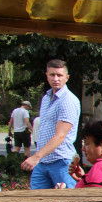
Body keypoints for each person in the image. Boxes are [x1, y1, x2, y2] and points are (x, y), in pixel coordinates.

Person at [21, 59, 80, 189]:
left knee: (67, 200)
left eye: (59, 75)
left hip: (61, 161)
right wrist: (39, 157)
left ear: (67, 77)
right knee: (37, 199)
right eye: (52, 75)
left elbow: (60, 136)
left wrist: (36, 157)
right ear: (46, 76)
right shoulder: (46, 98)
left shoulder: (68, 100)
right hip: (43, 162)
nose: (55, 79)